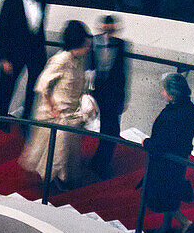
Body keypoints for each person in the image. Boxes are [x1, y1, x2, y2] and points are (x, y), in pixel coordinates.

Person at [19, 19, 93, 190]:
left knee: (67, 150)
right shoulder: (60, 60)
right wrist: (52, 107)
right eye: (85, 45)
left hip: (71, 113)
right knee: (56, 151)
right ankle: (50, 182)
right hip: (57, 114)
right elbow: (43, 84)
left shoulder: (79, 60)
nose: (88, 48)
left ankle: (60, 178)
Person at [142, 72, 194, 233]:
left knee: (164, 194)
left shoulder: (173, 114)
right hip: (179, 158)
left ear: (172, 93)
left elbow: (162, 143)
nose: (162, 93)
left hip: (166, 161)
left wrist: (146, 143)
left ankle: (185, 223)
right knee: (171, 191)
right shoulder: (189, 107)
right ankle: (165, 227)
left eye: (165, 90)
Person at [0, 0, 48, 129]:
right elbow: (2, 30)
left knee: (34, 88)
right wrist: (3, 58)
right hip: (13, 52)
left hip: (36, 53)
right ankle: (2, 119)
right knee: (7, 86)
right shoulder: (11, 0)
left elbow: (38, 26)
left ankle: (26, 120)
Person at [86, 14, 127, 178]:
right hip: (98, 91)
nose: (110, 33)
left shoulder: (121, 44)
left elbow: (123, 72)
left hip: (113, 93)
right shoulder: (93, 42)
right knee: (105, 128)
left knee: (112, 130)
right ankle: (99, 161)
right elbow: (89, 67)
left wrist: (123, 97)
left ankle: (102, 161)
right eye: (107, 29)